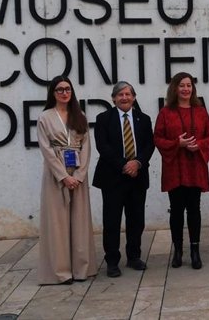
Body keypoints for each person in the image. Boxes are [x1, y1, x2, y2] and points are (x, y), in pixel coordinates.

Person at [36, 76, 96, 285]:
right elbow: (46, 149)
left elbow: (87, 147)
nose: (64, 92)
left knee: (79, 221)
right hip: (56, 174)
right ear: (53, 93)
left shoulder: (79, 116)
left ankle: (81, 268)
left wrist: (78, 176)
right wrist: (63, 176)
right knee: (57, 222)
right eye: (60, 89)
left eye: (67, 89)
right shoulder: (45, 117)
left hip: (78, 172)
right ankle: (60, 272)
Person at [92, 81, 155, 277]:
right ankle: (112, 260)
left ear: (134, 97)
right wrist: (124, 165)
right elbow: (103, 146)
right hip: (112, 177)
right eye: (120, 95)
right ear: (113, 98)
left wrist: (137, 163)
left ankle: (134, 256)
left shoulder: (143, 119)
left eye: (128, 94)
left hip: (137, 177)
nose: (124, 98)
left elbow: (149, 145)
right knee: (112, 220)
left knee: (136, 219)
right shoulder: (103, 118)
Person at [154, 72, 209, 269]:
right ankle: (178, 251)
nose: (186, 89)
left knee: (194, 209)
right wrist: (176, 143)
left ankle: (195, 250)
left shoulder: (200, 111)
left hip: (195, 166)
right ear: (175, 88)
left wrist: (199, 145)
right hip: (175, 167)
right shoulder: (165, 113)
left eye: (189, 85)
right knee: (177, 210)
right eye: (182, 85)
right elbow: (158, 138)